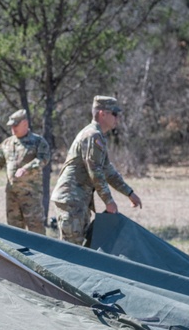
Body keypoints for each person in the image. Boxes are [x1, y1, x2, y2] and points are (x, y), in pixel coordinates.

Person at [50, 96, 142, 245]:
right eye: (114, 114)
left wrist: (129, 193)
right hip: (71, 200)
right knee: (72, 249)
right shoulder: (92, 135)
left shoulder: (98, 136)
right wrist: (109, 201)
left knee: (79, 248)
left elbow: (108, 171)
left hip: (78, 200)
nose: (117, 118)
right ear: (102, 114)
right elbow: (95, 172)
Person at [0, 109, 51, 234]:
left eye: (15, 125)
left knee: (36, 228)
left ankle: (41, 253)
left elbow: (43, 159)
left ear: (25, 123)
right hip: (12, 195)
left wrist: (26, 169)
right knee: (14, 230)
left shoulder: (38, 141)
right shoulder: (7, 143)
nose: (13, 128)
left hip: (31, 194)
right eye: (11, 125)